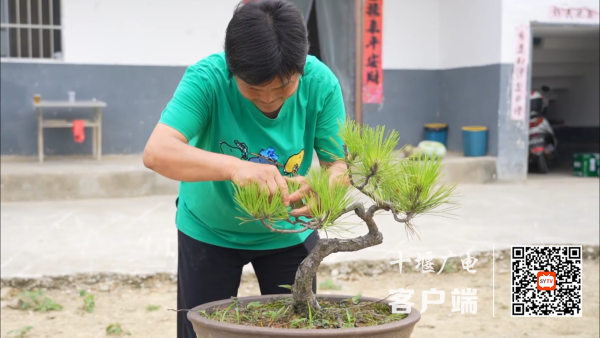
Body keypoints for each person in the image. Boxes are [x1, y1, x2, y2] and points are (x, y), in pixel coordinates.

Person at [143, 1, 348, 336]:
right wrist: (236, 168)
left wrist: (327, 188)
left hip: (291, 229)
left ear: (301, 69)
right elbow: (157, 152)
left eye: (283, 89)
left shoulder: (320, 83)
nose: (269, 100)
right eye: (253, 91)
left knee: (300, 328)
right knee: (201, 330)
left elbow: (338, 162)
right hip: (209, 229)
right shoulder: (207, 78)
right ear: (231, 67)